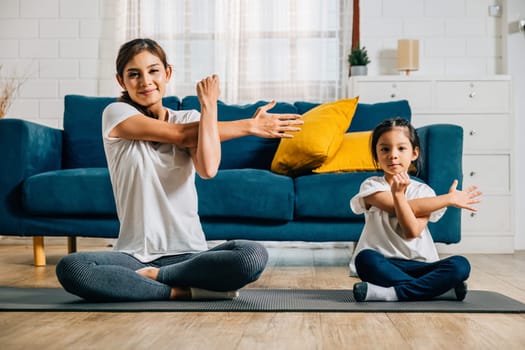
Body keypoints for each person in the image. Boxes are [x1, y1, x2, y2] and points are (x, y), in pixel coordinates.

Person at [55, 38, 303, 302]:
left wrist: (208, 107)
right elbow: (180, 135)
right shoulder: (116, 113)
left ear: (167, 73)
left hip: (190, 255)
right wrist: (250, 126)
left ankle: (156, 279)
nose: (145, 81)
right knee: (73, 268)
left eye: (153, 71)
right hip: (134, 256)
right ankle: (179, 290)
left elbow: (208, 169)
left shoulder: (191, 118)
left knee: (251, 254)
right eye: (134, 74)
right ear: (121, 81)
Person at [350, 117, 482, 302]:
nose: (393, 155)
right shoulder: (371, 186)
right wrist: (447, 199)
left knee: (460, 265)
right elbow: (397, 207)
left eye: (401, 148)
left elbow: (411, 231)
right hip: (384, 264)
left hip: (422, 265)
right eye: (385, 149)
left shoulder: (424, 191)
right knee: (364, 259)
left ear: (414, 153)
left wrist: (402, 197)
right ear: (376, 154)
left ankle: (390, 293)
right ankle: (437, 291)